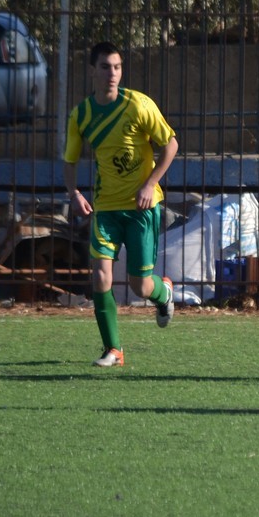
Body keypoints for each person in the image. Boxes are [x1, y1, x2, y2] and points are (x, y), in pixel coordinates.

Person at [63, 41, 179, 367]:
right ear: (92, 71)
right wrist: (74, 194)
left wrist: (149, 184)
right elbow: (70, 160)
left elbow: (171, 144)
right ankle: (113, 349)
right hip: (106, 209)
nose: (112, 73)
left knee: (140, 287)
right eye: (105, 67)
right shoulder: (82, 115)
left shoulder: (138, 105)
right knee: (100, 276)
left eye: (117, 67)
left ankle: (163, 293)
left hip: (142, 209)